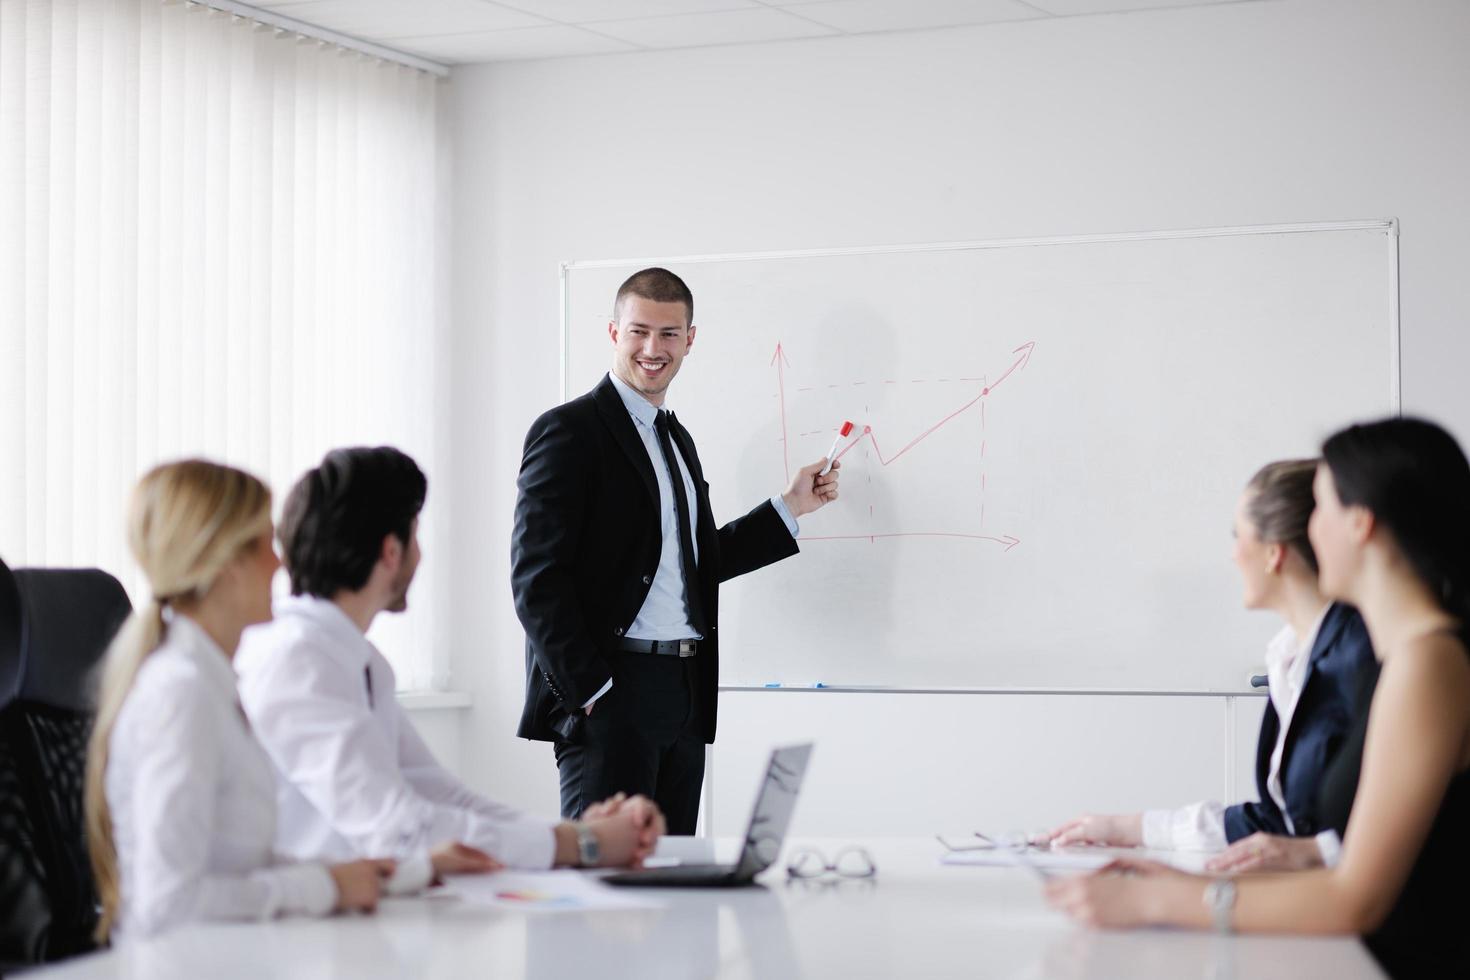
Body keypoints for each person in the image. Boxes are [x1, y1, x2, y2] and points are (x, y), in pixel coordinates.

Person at [1045, 418, 1470, 978]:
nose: (1307, 533)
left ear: (1361, 524)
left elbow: (1355, 899)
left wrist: (1157, 901)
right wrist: (1202, 881)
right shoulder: (1411, 657)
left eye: (1319, 510)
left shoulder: (1429, 662)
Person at [237, 447, 663, 886]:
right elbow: (400, 829)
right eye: (416, 535)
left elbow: (440, 793)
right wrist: (581, 846)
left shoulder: (356, 660)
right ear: (390, 551)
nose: (420, 555)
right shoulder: (298, 662)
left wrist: (576, 834)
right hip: (295, 928)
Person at [512, 267, 841, 834]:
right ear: (614, 333)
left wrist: (790, 507)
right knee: (606, 889)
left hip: (683, 695)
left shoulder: (676, 439)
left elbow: (692, 561)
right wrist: (592, 691)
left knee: (676, 888)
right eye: (639, 331)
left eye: (668, 334)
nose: (652, 348)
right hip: (611, 694)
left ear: (691, 339)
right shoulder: (570, 431)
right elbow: (536, 578)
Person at [84, 460, 392, 941]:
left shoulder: (211, 682)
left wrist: (355, 876)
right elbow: (169, 905)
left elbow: (236, 863)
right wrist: (321, 886)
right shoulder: (180, 694)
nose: (279, 563)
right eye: (265, 544)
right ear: (226, 564)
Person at [1037, 460, 1375, 872]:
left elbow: (1343, 836)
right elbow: (1281, 825)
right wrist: (1128, 828)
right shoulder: (1289, 657)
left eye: (1238, 537)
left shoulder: (1361, 654)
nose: (1233, 556)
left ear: (1274, 553)